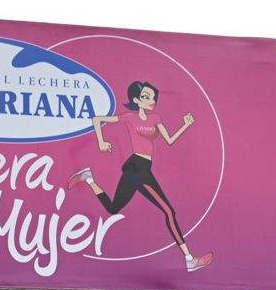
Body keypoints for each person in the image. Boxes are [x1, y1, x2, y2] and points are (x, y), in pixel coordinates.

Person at [67, 81, 213, 273]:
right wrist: (101, 142)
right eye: (145, 97)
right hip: (137, 167)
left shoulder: (155, 118)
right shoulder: (129, 117)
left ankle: (88, 178)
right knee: (169, 211)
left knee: (113, 208)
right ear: (136, 100)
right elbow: (97, 119)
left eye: (152, 97)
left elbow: (169, 140)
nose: (151, 100)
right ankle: (189, 259)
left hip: (143, 169)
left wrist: (184, 125)